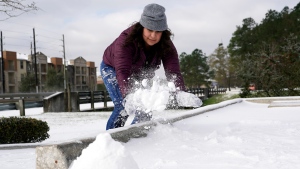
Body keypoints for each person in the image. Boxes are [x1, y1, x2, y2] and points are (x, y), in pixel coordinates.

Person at [100, 3, 185, 130]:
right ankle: (111, 139)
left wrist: (181, 92)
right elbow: (122, 70)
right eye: (150, 30)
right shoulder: (126, 40)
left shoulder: (165, 43)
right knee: (123, 106)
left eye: (158, 32)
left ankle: (136, 135)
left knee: (146, 106)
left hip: (138, 73)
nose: (153, 36)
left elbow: (173, 71)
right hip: (112, 68)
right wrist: (128, 95)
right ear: (142, 27)